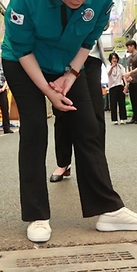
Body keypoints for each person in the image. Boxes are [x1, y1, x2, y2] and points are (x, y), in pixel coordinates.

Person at [1, 0, 137, 243]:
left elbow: (89, 39)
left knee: (88, 127)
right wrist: (48, 90)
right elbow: (21, 49)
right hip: (24, 62)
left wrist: (71, 74)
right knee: (34, 129)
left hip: (70, 63)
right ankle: (37, 215)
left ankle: (108, 210)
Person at [50, 43, 107, 182]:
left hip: (91, 56)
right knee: (63, 109)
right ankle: (63, 163)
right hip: (65, 54)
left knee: (95, 111)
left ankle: (96, 163)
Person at [106, 52, 127, 125]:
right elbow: (108, 74)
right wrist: (112, 66)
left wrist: (126, 85)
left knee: (121, 102)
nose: (114, 60)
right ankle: (114, 119)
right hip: (112, 86)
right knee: (113, 103)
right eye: (113, 58)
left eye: (115, 58)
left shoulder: (120, 67)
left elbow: (123, 76)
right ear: (110, 60)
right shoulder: (108, 66)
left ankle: (123, 118)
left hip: (120, 85)